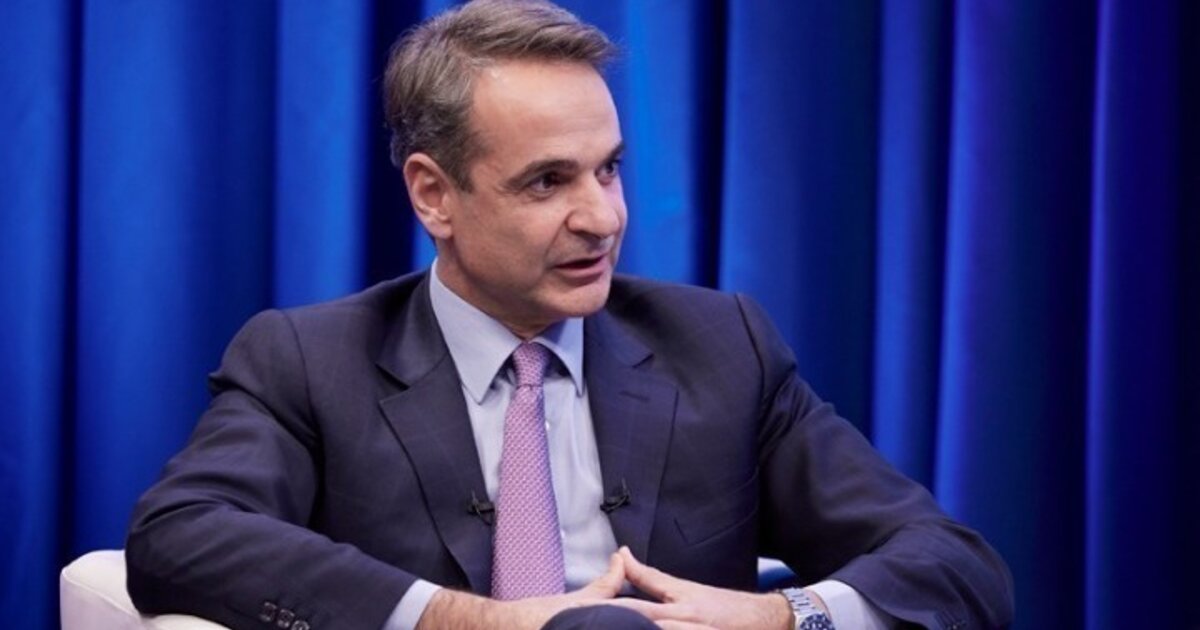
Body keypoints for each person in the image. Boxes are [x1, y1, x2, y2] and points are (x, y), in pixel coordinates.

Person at [125, 1, 1014, 629]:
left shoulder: (721, 349)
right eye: (548, 181)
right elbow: (179, 535)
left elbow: (954, 566)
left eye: (609, 169)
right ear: (434, 194)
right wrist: (461, 620)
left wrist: (783, 617)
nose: (602, 217)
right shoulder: (310, 362)